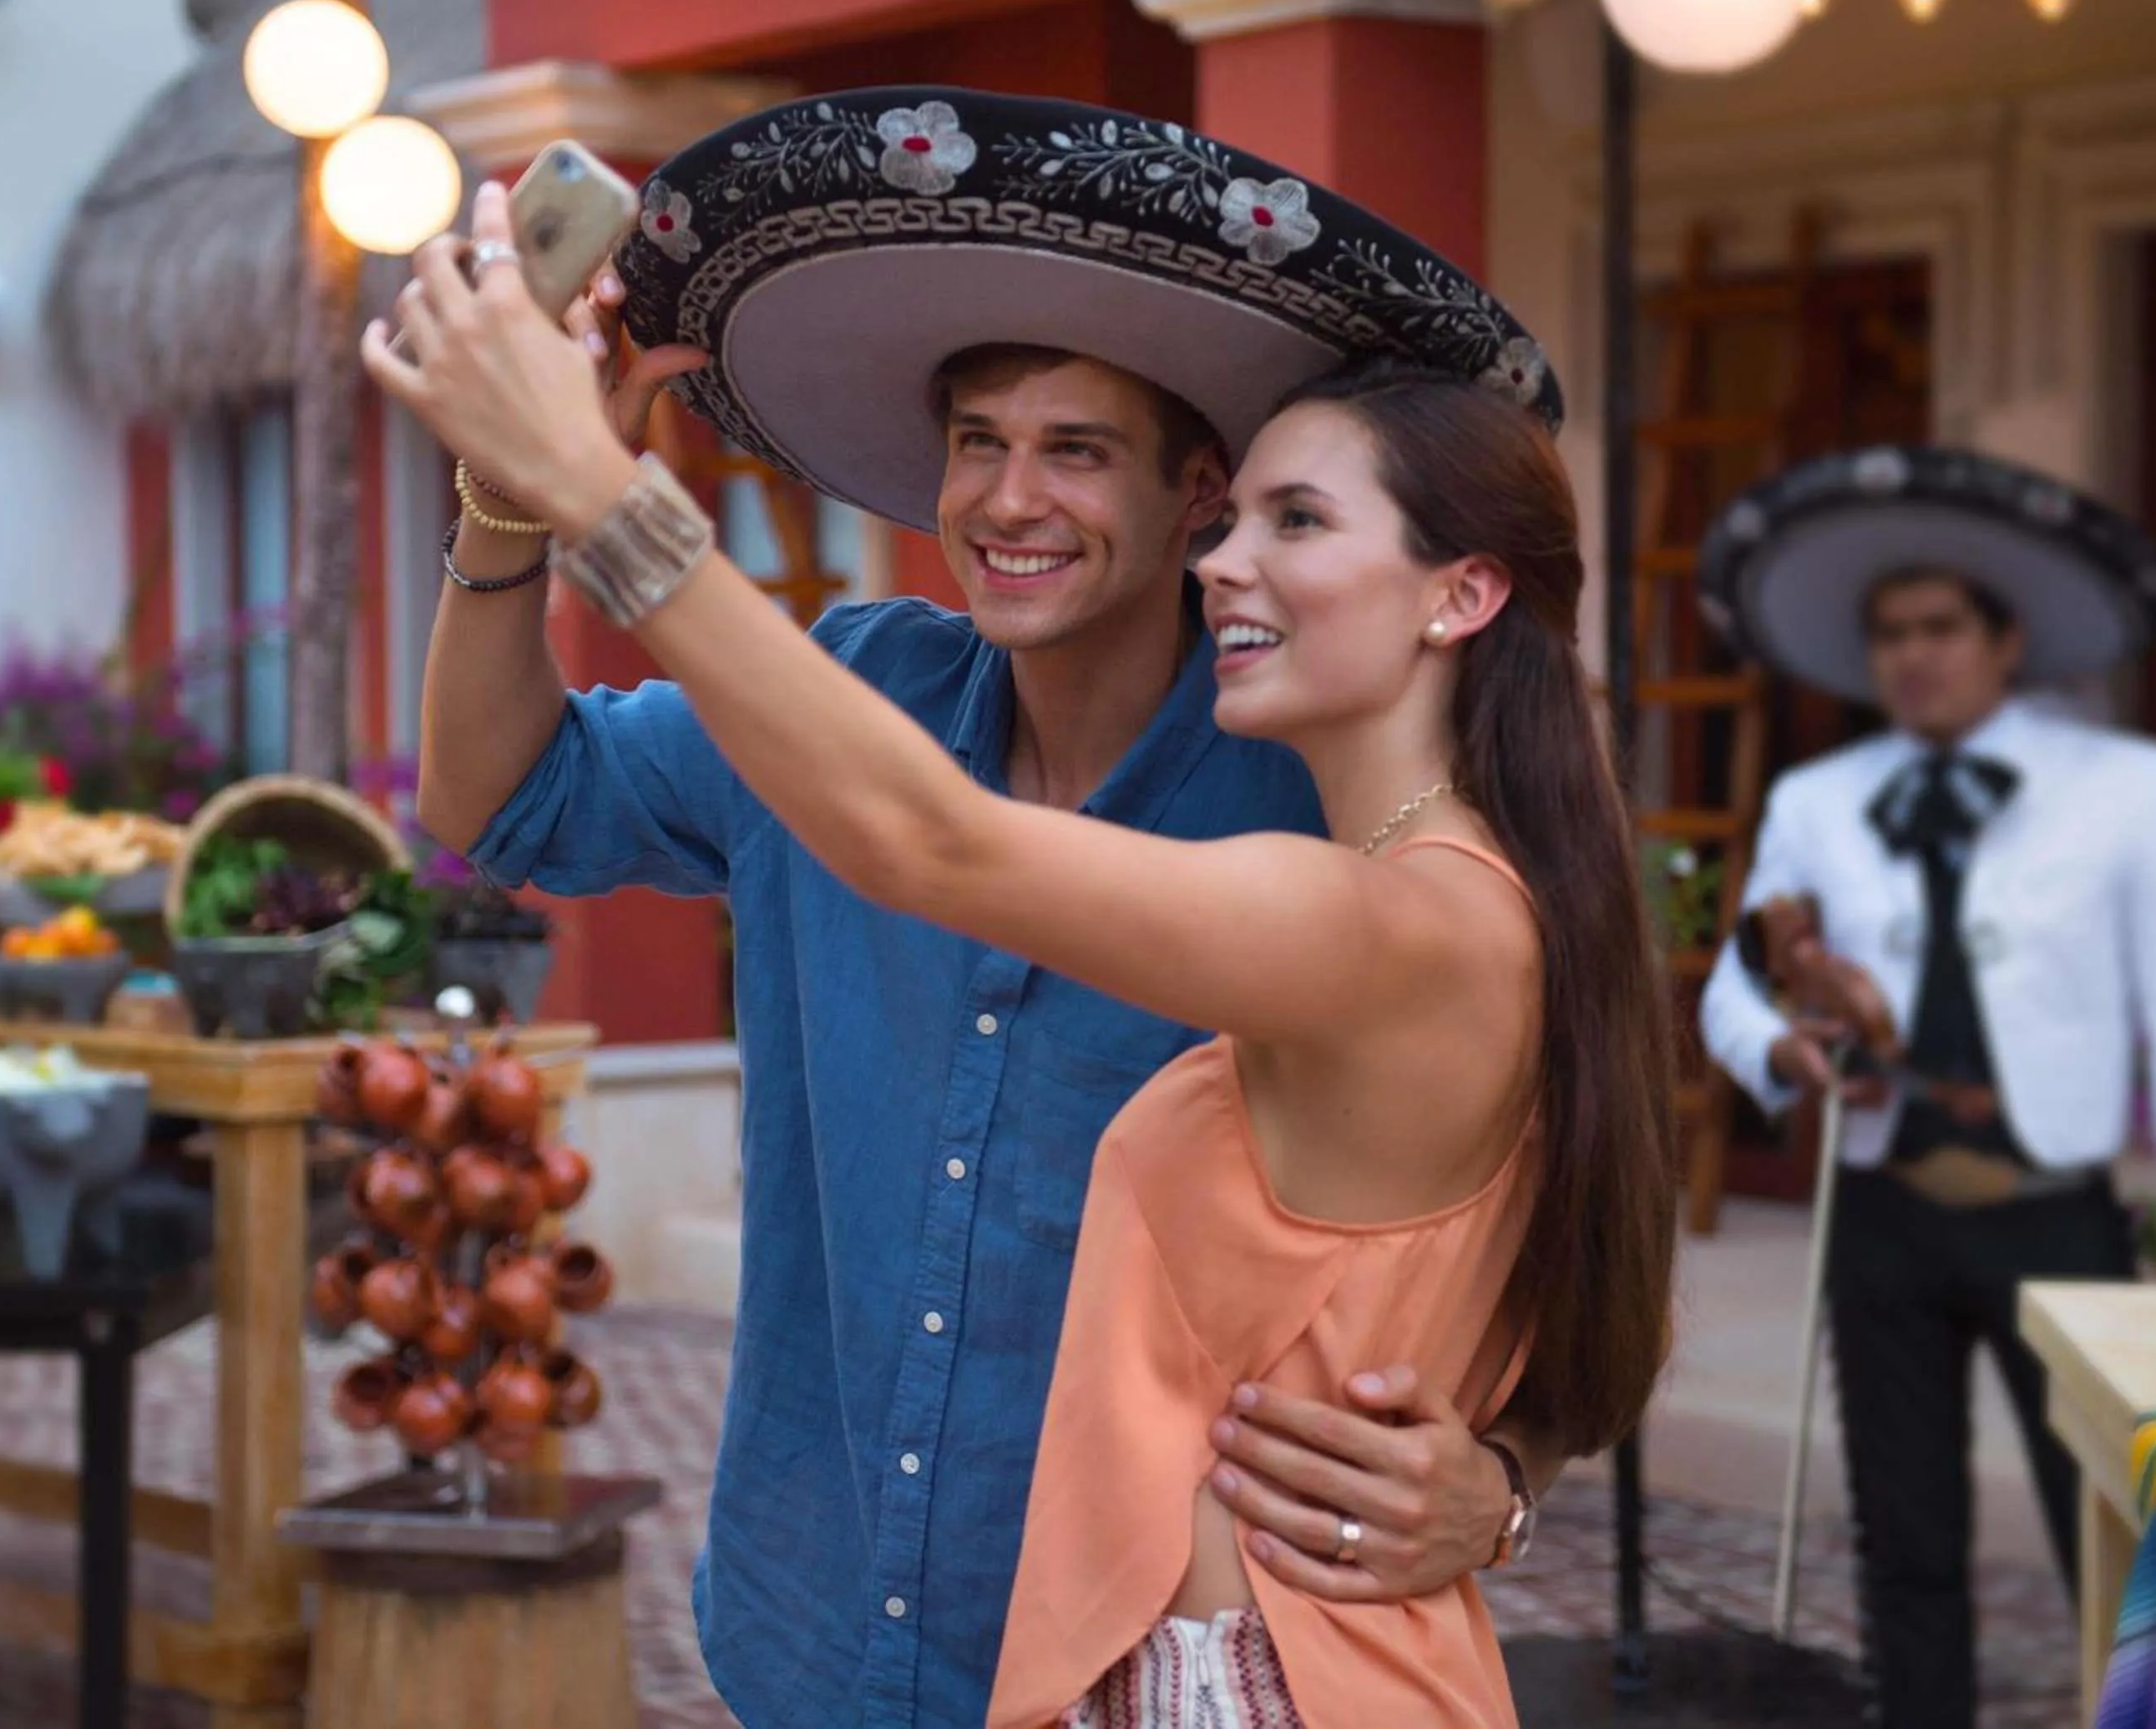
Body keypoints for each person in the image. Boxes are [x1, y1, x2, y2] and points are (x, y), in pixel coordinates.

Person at [367, 87, 1675, 1725]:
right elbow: (506, 804)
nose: (1007, 499)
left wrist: (1502, 1469)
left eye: (1075, 450)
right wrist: (509, 503)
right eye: (978, 443)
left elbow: (1540, 1241)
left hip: (1122, 1648)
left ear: (1192, 490)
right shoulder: (853, 689)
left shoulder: (1323, 817)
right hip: (816, 1616)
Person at [1698, 444, 2156, 1729]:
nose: (1913, 655)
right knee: (1902, 1533)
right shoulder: (1820, 797)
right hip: (1884, 1207)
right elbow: (1735, 987)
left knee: (2138, 1530)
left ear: (2003, 638)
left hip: (2059, 1212)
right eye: (1888, 635)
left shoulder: (2132, 789)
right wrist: (1781, 1048)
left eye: (1938, 628)